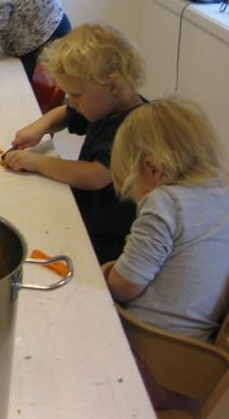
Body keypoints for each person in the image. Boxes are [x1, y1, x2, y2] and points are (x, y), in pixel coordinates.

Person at [0, 24, 146, 264]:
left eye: (77, 95)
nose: (73, 102)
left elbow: (95, 175)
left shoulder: (135, 127)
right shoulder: (106, 105)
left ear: (114, 86)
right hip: (88, 217)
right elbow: (66, 114)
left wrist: (36, 161)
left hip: (109, 240)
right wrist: (40, 127)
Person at [107, 97, 229, 340]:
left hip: (151, 341)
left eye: (132, 190)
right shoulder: (222, 195)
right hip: (197, 350)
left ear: (154, 170)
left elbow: (125, 286)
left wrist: (108, 274)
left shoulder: (166, 202)